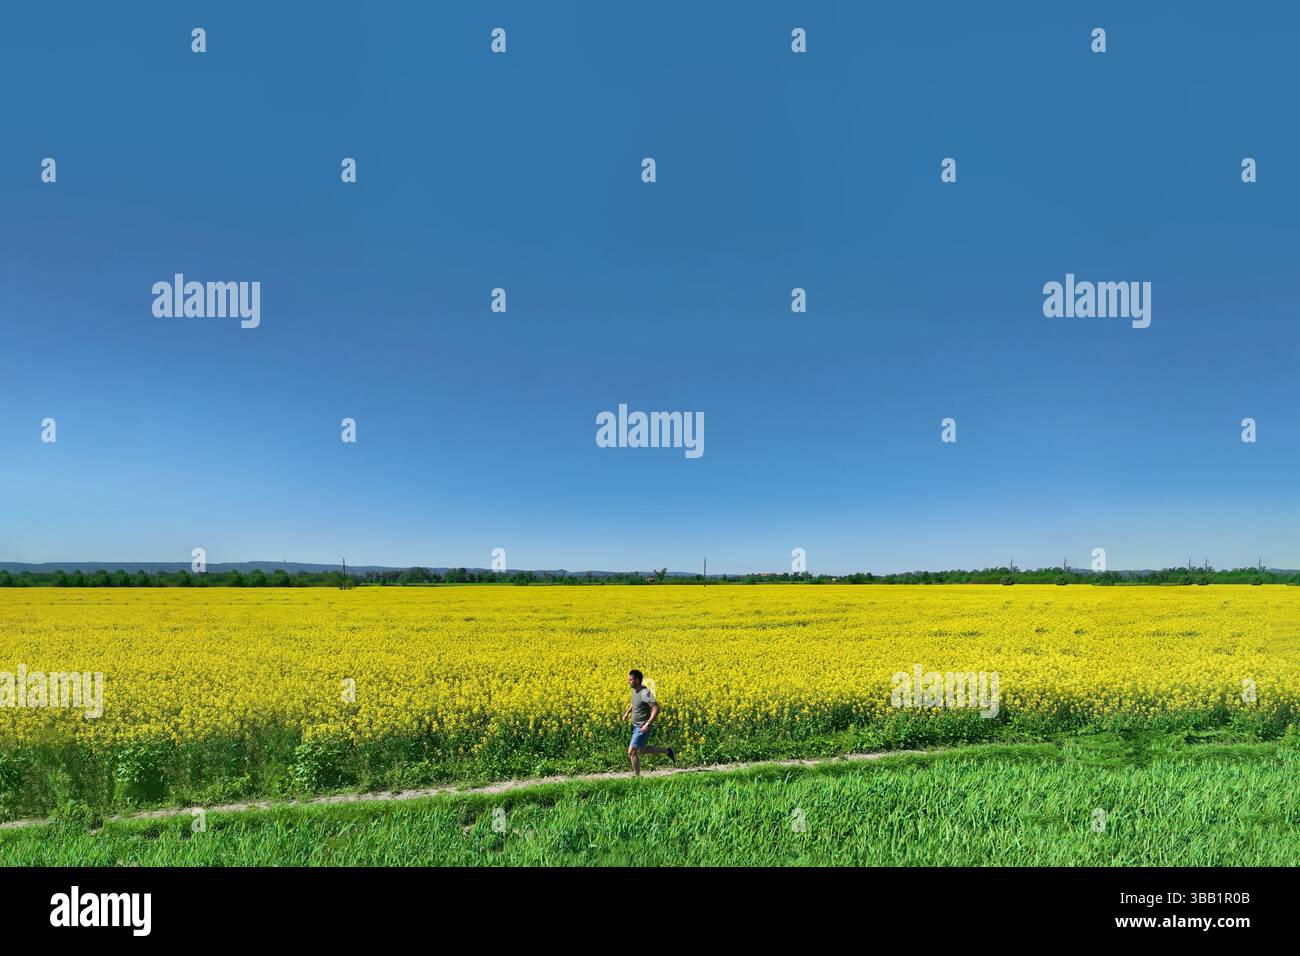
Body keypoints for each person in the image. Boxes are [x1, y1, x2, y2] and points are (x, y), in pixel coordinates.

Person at [621, 669, 675, 776]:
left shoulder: (645, 693)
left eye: (630, 680)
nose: (629, 682)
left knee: (632, 751)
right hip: (635, 726)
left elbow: (656, 708)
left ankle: (637, 777)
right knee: (642, 750)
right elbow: (634, 703)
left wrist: (648, 724)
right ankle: (667, 751)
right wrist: (627, 713)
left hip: (642, 726)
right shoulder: (635, 691)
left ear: (637, 680)